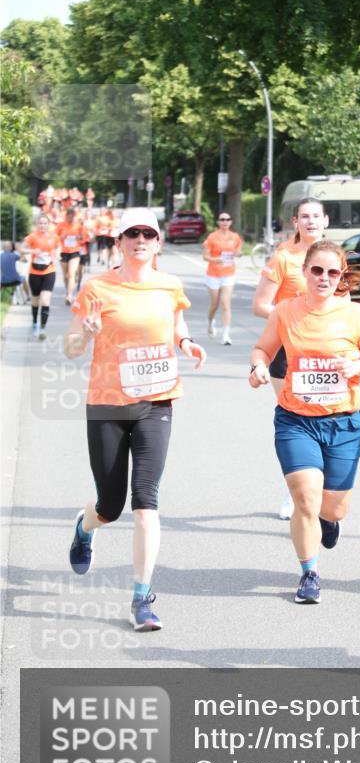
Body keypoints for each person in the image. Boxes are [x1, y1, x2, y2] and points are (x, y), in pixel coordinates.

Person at [64, 207, 206, 631]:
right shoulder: (96, 287)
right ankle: (85, 527)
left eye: (148, 233)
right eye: (132, 234)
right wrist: (86, 333)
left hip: (156, 403)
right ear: (119, 242)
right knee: (110, 505)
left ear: (158, 243)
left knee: (146, 501)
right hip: (107, 404)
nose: (140, 239)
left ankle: (142, 598)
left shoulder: (169, 285)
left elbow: (177, 324)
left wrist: (187, 342)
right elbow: (70, 348)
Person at [249, 239, 360, 604]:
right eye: (317, 270)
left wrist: (356, 366)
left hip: (343, 422)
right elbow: (263, 348)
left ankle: (329, 520)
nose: (324, 278)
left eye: (332, 272)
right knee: (305, 499)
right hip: (296, 420)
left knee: (333, 507)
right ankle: (309, 572)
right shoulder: (285, 310)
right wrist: (259, 366)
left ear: (341, 276)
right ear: (305, 271)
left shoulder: (355, 315)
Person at [252, 198, 329, 519]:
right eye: (304, 217)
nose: (310, 221)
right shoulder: (284, 257)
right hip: (288, 349)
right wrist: (294, 318)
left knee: (327, 421)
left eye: (316, 216)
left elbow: (345, 301)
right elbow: (260, 305)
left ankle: (322, 489)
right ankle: (294, 492)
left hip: (326, 350)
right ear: (295, 222)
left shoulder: (335, 257)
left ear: (325, 220)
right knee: (297, 421)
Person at [202, 212, 243, 344]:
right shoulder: (212, 237)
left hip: (228, 274)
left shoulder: (235, 237)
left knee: (225, 303)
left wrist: (238, 254)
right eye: (222, 220)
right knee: (214, 304)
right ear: (218, 222)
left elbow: (239, 252)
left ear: (231, 222)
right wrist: (216, 259)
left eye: (227, 219)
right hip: (213, 274)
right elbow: (205, 256)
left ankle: (226, 336)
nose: (225, 222)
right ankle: (210, 322)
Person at [22, 214, 60, 339]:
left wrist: (57, 254)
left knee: (45, 300)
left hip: (49, 271)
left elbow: (58, 247)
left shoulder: (54, 237)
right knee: (35, 301)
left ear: (48, 224)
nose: (43, 225)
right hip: (34, 273)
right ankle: (34, 323)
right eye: (40, 223)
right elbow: (22, 249)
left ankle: (42, 329)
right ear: (37, 224)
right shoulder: (32, 237)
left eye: (45, 223)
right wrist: (33, 251)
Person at [56, 206, 83, 305]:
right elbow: (55, 237)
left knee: (71, 274)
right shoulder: (61, 225)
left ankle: (69, 294)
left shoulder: (78, 226)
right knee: (66, 275)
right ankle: (68, 289)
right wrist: (61, 237)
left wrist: (78, 237)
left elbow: (82, 237)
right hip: (63, 252)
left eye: (72, 217)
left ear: (74, 217)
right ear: (66, 216)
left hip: (74, 252)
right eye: (68, 217)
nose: (70, 219)